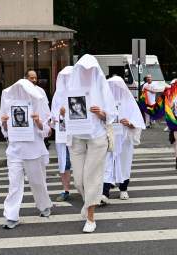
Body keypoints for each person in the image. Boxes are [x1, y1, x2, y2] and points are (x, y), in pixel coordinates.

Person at [65, 54, 117, 233]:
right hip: (77, 136)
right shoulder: (71, 87)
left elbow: (111, 115)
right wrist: (64, 112)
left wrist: (101, 113)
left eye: (90, 70)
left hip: (97, 136)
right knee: (79, 180)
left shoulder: (102, 86)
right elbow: (62, 114)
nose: (86, 73)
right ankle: (87, 203)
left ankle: (90, 218)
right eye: (83, 70)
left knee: (92, 178)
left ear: (95, 71)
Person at [0, 78, 53, 229]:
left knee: (38, 182)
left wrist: (38, 122)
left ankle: (44, 206)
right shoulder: (9, 101)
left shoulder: (39, 101)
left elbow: (47, 131)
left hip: (34, 150)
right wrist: (4, 122)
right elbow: (5, 131)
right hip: (15, 150)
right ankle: (11, 216)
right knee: (14, 184)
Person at [101, 76, 145, 204]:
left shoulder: (129, 101)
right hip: (109, 137)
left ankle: (123, 189)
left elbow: (138, 122)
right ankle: (105, 192)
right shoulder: (105, 101)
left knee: (125, 163)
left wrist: (130, 123)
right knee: (107, 164)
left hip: (124, 139)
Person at [51, 66, 73, 201]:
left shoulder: (82, 92)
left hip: (79, 134)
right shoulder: (57, 95)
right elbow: (53, 118)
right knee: (64, 163)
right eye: (65, 78)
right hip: (63, 135)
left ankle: (85, 190)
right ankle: (66, 190)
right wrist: (61, 116)